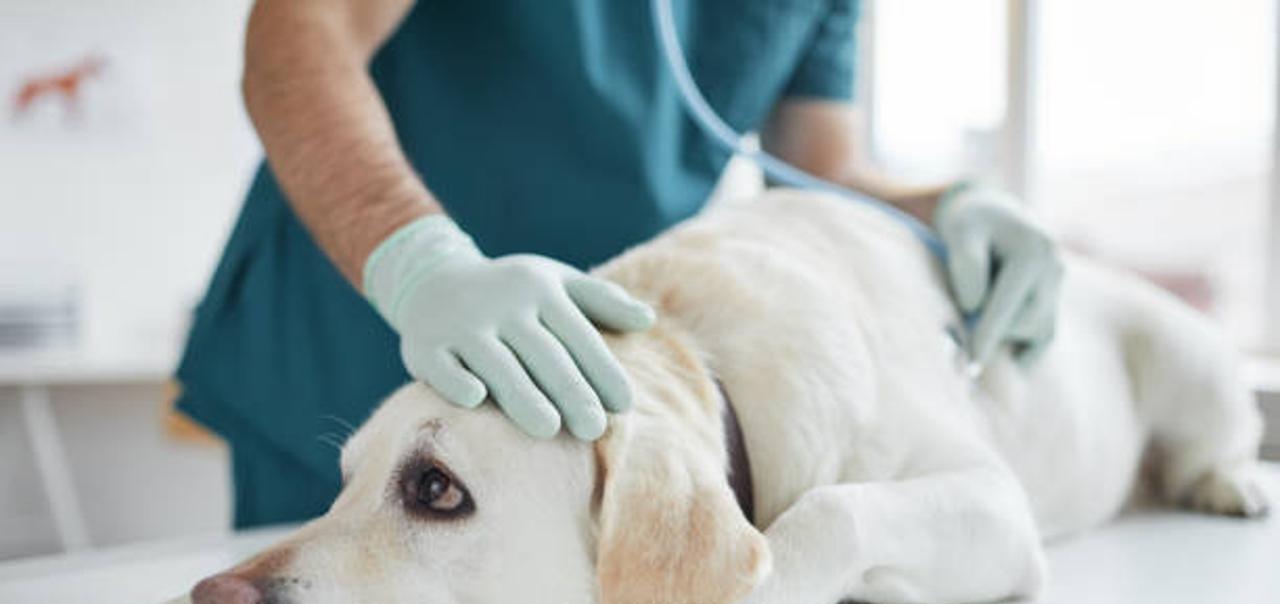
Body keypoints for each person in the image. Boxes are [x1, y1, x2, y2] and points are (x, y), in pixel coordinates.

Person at [177, 0, 1063, 529]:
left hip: (568, 406)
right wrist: (420, 263)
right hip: (341, 343)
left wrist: (948, 209)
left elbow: (820, 171)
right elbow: (301, 38)